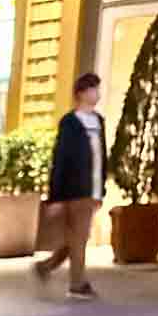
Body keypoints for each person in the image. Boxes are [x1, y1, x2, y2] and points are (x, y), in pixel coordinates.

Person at [35, 71, 108, 301]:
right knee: (79, 238)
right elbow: (62, 158)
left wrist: (101, 189)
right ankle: (77, 284)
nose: (97, 93)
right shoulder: (70, 122)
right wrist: (56, 197)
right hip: (76, 190)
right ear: (81, 93)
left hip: (93, 188)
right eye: (93, 89)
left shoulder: (98, 121)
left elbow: (101, 156)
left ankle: (46, 267)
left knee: (75, 238)